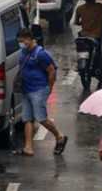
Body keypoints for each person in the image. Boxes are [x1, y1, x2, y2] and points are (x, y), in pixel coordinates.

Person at [14, 28, 68, 156]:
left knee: (42, 118)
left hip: (38, 89)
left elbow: (51, 72)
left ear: (28, 39)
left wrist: (49, 89)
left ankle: (60, 136)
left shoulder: (41, 54)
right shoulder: (24, 51)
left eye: (21, 41)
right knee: (27, 118)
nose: (20, 44)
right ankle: (28, 147)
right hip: (26, 90)